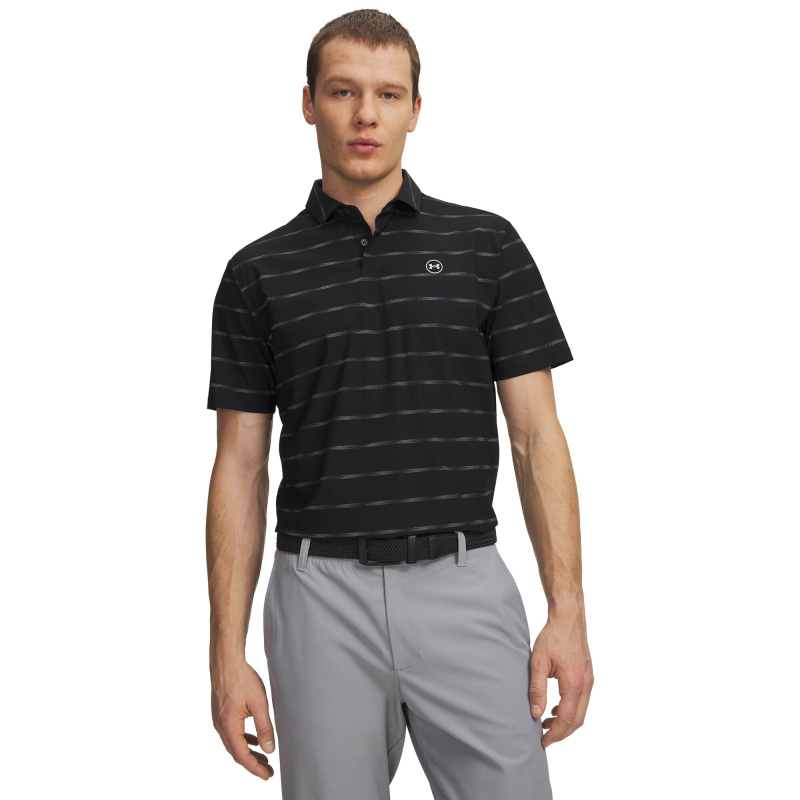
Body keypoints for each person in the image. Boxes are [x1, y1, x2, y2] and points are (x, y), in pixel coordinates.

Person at [205, 9, 592, 799]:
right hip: (318, 599)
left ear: (416, 109)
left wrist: (568, 611)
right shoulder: (256, 273)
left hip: (465, 583)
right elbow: (239, 467)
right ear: (308, 102)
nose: (366, 115)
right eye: (343, 91)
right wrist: (225, 654)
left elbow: (536, 436)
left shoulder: (488, 246)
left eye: (387, 94)